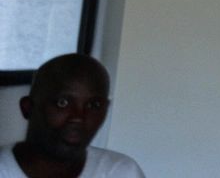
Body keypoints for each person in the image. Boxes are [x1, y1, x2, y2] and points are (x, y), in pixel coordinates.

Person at [3, 54, 144, 178]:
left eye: (94, 105)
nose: (78, 117)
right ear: (27, 107)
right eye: (62, 103)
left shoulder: (121, 172)